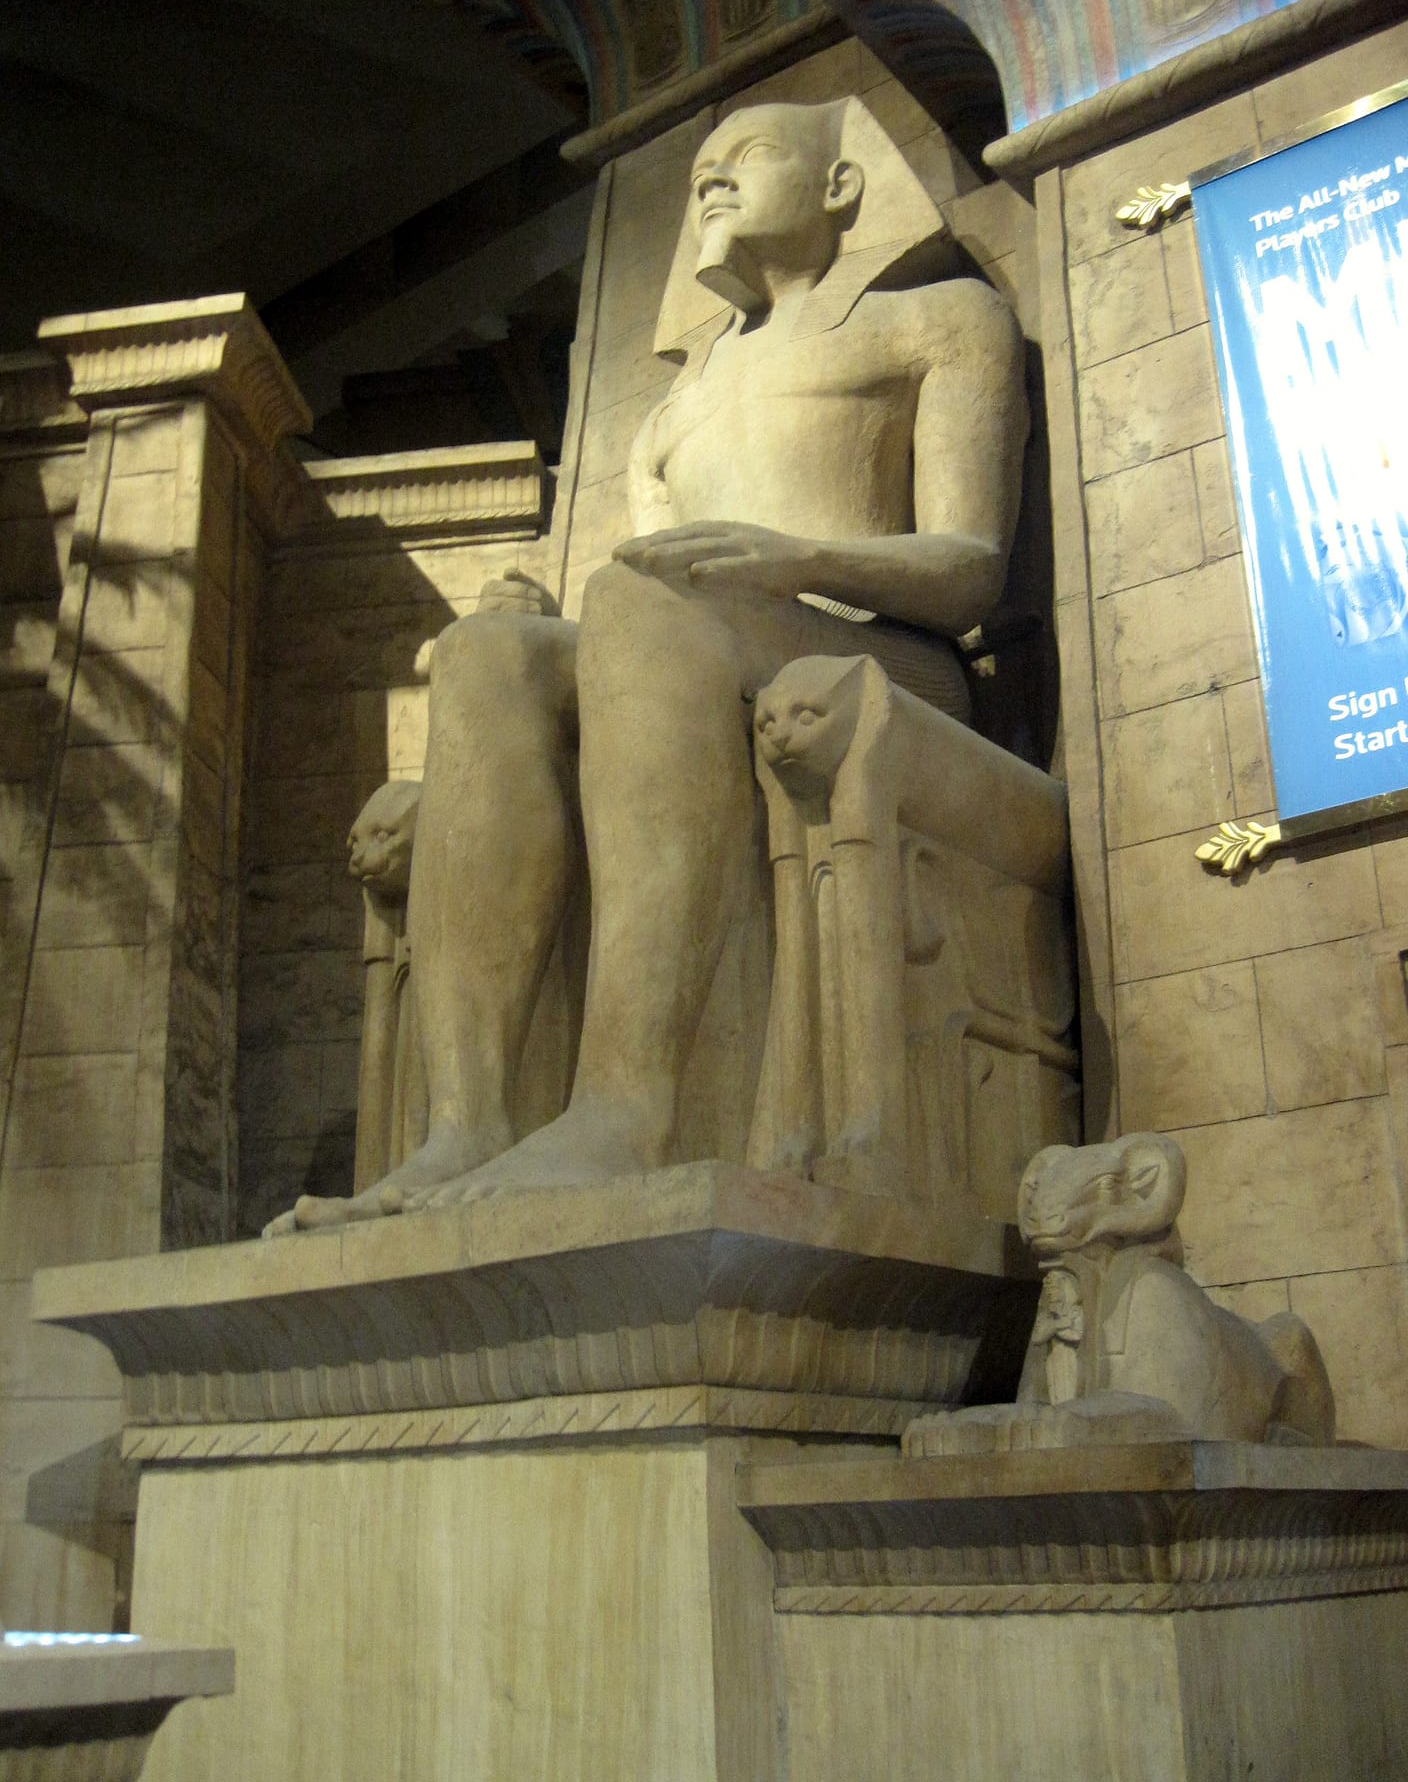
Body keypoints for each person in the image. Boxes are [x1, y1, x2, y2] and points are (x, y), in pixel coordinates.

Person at [270, 96, 1026, 1232]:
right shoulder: (672, 414)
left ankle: (624, 1107)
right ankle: (465, 1125)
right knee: (487, 655)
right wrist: (536, 623)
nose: (711, 182)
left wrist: (800, 557)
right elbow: (640, 604)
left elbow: (970, 567)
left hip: (882, 656)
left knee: (638, 606)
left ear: (841, 186)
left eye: (747, 156)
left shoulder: (937, 320)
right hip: (706, 644)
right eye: (700, 169)